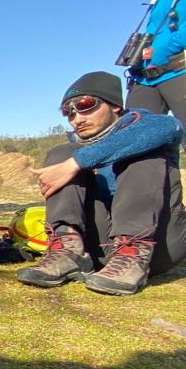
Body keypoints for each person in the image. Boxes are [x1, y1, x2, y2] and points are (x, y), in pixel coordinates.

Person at [17, 72, 185, 296]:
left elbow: (167, 127)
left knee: (142, 153)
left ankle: (133, 253)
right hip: (102, 246)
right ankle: (67, 251)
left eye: (86, 105)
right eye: (69, 112)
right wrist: (71, 162)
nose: (77, 118)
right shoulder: (74, 147)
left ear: (115, 105)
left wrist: (76, 163)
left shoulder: (149, 125)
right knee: (61, 153)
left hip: (159, 244)